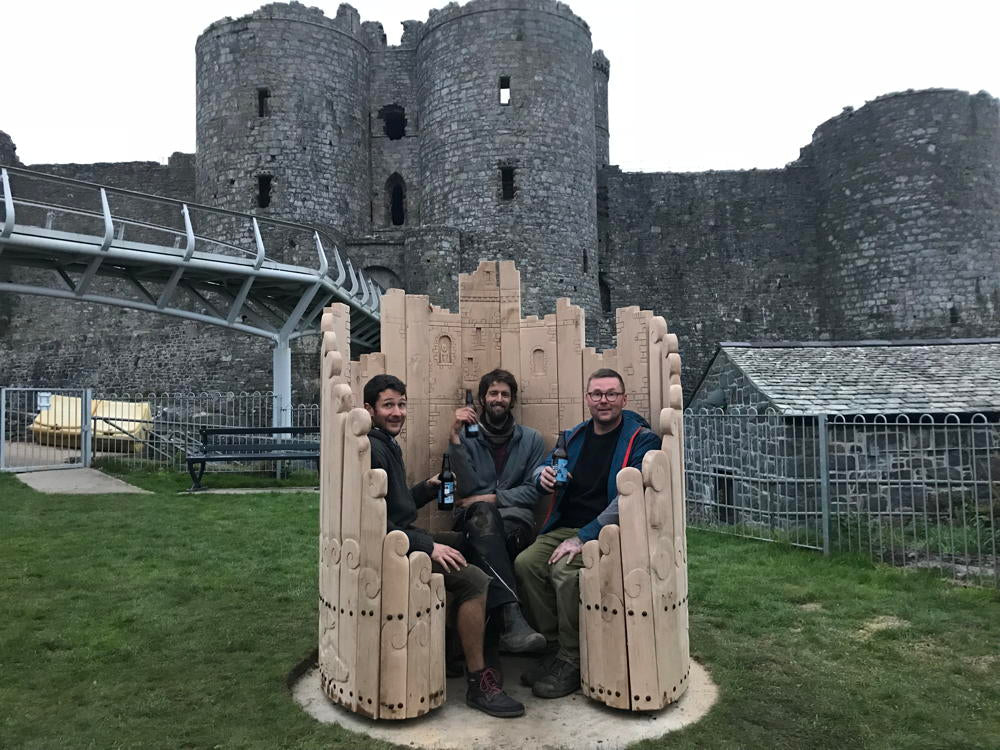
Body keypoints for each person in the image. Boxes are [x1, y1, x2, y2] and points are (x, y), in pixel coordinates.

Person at [363, 374, 524, 718]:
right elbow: (378, 521)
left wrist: (428, 487)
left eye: (401, 404)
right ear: (369, 409)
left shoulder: (383, 443)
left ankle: (456, 648)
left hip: (401, 538)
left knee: (469, 544)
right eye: (388, 405)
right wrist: (428, 546)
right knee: (474, 580)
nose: (397, 412)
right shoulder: (374, 449)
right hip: (391, 547)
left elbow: (396, 504)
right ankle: (479, 680)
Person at [514, 368, 660, 699]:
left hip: (608, 531)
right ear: (587, 399)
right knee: (526, 564)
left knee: (564, 571)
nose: (603, 400)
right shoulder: (576, 435)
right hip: (566, 525)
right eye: (596, 394)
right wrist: (543, 476)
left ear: (624, 398)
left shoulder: (641, 440)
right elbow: (549, 465)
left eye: (611, 394)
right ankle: (554, 647)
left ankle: (571, 659)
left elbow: (629, 496)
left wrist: (584, 537)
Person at [448, 369, 546, 654]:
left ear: (512, 400)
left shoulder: (531, 440)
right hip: (473, 521)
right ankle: (511, 618)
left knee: (487, 530)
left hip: (515, 522)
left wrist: (490, 498)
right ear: (481, 399)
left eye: (504, 394)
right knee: (482, 521)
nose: (499, 399)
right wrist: (454, 436)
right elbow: (465, 487)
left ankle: (480, 649)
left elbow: (534, 490)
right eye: (493, 393)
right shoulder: (466, 436)